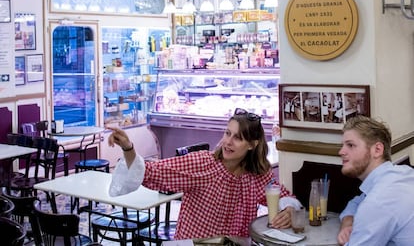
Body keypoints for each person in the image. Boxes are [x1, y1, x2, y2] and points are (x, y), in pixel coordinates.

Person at [107, 107, 302, 240]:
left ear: (252, 144)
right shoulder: (203, 164)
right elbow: (151, 172)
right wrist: (128, 147)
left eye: (237, 138)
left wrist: (290, 211)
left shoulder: (258, 174)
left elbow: (284, 196)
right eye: (227, 133)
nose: (228, 142)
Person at [337, 115, 414, 246]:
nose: (341, 152)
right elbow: (356, 202)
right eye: (343, 145)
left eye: (350, 145)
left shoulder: (378, 201)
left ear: (377, 150)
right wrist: (348, 222)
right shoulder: (403, 174)